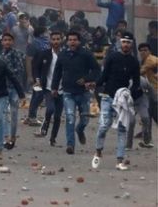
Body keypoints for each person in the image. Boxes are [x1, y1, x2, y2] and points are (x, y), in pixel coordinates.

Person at [92, 32, 142, 171]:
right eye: (124, 42)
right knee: (103, 126)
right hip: (108, 97)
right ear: (120, 43)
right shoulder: (112, 57)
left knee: (122, 129)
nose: (126, 45)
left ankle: (119, 160)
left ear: (132, 45)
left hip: (123, 100)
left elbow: (136, 82)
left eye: (128, 42)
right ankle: (98, 151)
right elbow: (104, 76)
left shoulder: (134, 62)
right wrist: (94, 84)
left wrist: (131, 97)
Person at [51, 31, 100, 155]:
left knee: (84, 119)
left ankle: (80, 130)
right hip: (68, 92)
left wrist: (87, 79)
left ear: (79, 41)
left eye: (75, 40)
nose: (72, 42)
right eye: (70, 40)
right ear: (67, 41)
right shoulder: (63, 55)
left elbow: (96, 70)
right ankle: (70, 145)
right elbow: (57, 72)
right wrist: (54, 88)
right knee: (70, 118)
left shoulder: (86, 54)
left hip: (83, 92)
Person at [32, 31, 64, 146]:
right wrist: (37, 78)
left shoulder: (65, 55)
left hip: (62, 89)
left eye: (58, 39)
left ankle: (53, 138)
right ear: (50, 41)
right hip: (48, 87)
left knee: (58, 116)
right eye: (53, 39)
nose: (55, 41)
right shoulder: (44, 54)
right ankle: (45, 124)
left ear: (61, 40)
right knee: (50, 109)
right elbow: (36, 67)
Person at [0, 32, 26, 149]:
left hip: (14, 87)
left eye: (9, 40)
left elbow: (19, 69)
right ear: (2, 42)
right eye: (5, 40)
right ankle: (6, 137)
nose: (7, 42)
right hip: (3, 87)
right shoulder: (1, 55)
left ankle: (12, 137)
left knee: (14, 114)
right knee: (2, 113)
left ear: (12, 42)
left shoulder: (16, 54)